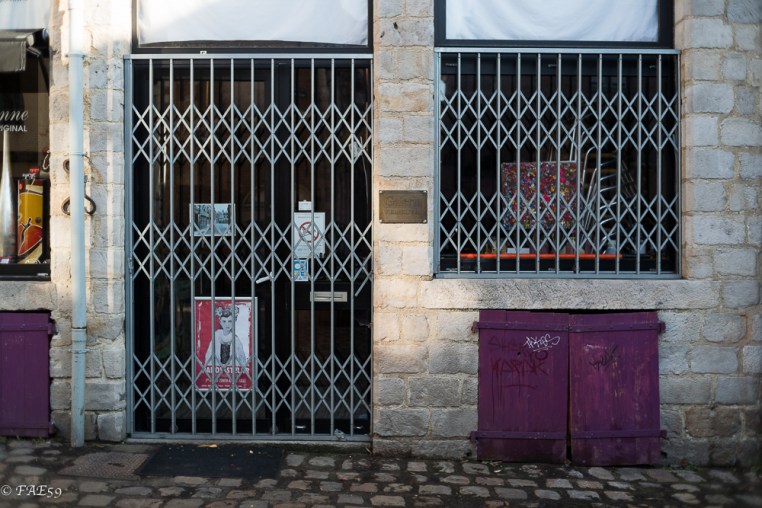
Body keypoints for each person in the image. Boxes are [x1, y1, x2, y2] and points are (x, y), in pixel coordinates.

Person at [204, 304, 249, 368]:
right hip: (217, 371)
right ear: (220, 322)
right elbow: (208, 357)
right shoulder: (216, 337)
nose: (227, 324)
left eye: (230, 321)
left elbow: (242, 360)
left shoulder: (236, 340)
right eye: (224, 321)